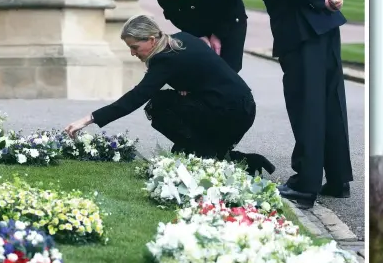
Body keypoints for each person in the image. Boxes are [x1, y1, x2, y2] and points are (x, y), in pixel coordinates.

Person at [212, 0, 352, 210]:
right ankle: (337, 178)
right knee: (330, 102)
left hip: (301, 30)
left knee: (306, 105)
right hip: (326, 27)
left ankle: (305, 186)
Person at [65, 15, 274, 175]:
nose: (132, 53)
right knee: (169, 104)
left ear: (151, 39)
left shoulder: (164, 60)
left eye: (134, 47)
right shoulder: (180, 39)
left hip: (232, 112)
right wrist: (186, 84)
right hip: (241, 106)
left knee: (159, 105)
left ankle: (207, 153)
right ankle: (230, 157)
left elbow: (135, 98)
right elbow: (203, 71)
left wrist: (88, 119)